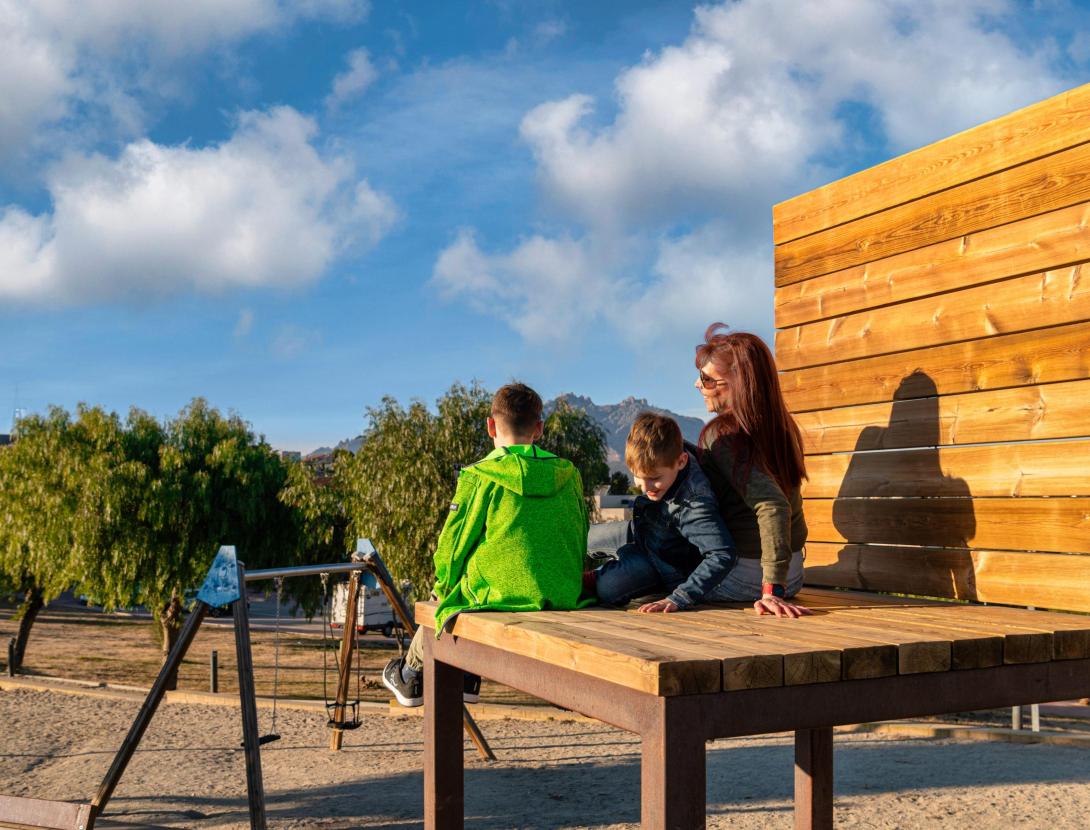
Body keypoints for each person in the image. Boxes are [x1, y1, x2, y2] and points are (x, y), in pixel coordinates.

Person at [383, 382, 591, 707]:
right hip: (560, 591)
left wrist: (442, 586)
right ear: (539, 429)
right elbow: (579, 532)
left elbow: (453, 544)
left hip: (496, 594)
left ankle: (410, 676)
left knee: (445, 598)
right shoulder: (569, 474)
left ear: (491, 426)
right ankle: (465, 678)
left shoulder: (480, 475)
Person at [694, 323, 812, 618]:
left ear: (739, 383)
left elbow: (772, 505)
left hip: (746, 576)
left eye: (708, 380)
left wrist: (772, 590)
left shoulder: (724, 435)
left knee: (621, 542)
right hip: (793, 571)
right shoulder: (781, 428)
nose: (698, 385)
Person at [585, 412, 743, 611]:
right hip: (641, 532)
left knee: (609, 588)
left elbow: (722, 553)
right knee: (582, 537)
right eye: (637, 477)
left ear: (681, 461)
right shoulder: (667, 451)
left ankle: (591, 579)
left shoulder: (695, 503)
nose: (644, 487)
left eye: (654, 478)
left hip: (661, 564)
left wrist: (680, 597)